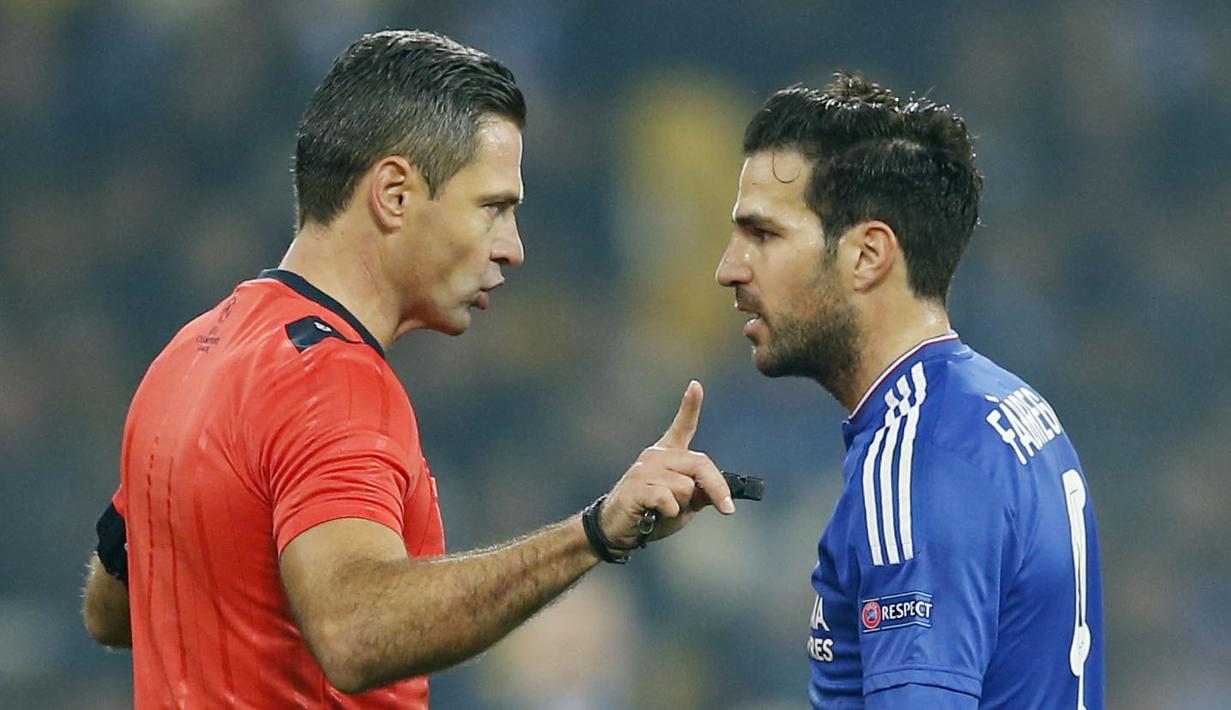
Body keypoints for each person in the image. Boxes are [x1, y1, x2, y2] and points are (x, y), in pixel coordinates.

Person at [81, 30, 736, 707]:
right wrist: (594, 533)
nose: (512, 248)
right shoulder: (334, 381)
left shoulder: (191, 353)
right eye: (492, 208)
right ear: (394, 194)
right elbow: (357, 634)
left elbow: (113, 610)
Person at [715, 74, 1104, 709]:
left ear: (868, 254)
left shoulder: (921, 458)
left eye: (763, 235)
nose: (728, 269)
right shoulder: (1007, 407)